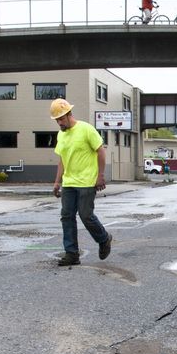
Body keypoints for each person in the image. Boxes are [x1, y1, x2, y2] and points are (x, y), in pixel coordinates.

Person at [49, 99, 113, 266]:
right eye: (56, 120)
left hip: (87, 181)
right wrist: (57, 182)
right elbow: (62, 160)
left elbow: (101, 151)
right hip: (69, 183)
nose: (59, 123)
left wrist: (100, 175)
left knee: (86, 216)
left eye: (61, 119)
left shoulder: (86, 129)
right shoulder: (61, 135)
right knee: (67, 216)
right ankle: (71, 254)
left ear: (69, 114)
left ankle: (104, 239)